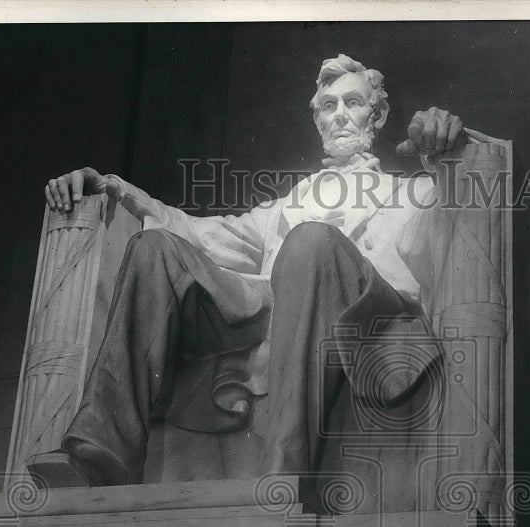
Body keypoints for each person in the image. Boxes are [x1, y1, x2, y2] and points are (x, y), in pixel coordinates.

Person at [28, 54, 467, 487]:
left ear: (379, 114)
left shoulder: (415, 191)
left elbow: (451, 235)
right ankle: (99, 454)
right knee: (155, 248)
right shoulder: (288, 204)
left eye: (352, 103)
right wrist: (118, 189)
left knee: (309, 242)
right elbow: (206, 234)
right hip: (278, 305)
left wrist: (447, 154)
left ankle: (286, 471)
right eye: (329, 107)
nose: (339, 117)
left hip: (364, 315)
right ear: (317, 121)